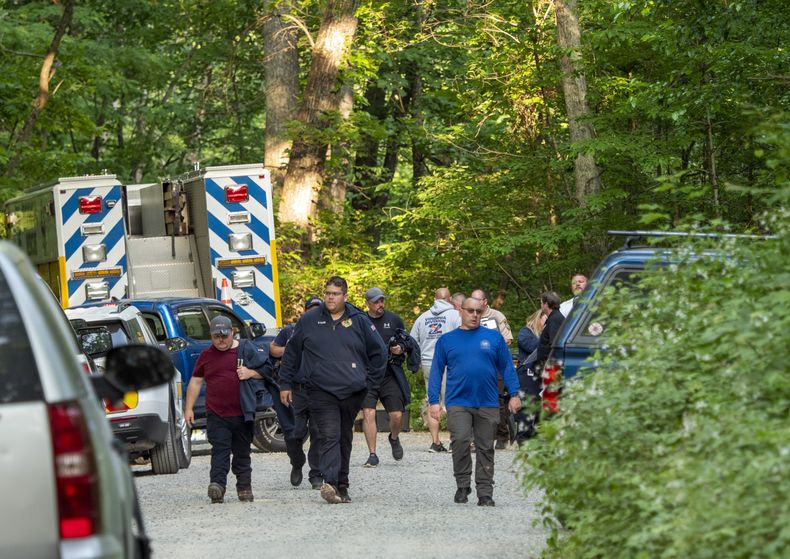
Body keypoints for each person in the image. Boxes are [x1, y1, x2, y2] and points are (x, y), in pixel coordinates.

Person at [279, 276, 387, 504]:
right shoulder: (309, 320)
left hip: (352, 390)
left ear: (345, 297)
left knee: (344, 436)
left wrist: (371, 383)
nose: (330, 297)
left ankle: (342, 483)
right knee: (329, 435)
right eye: (327, 292)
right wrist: (285, 383)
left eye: (335, 294)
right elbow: (291, 353)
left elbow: (379, 353)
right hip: (320, 390)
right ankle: (330, 483)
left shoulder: (358, 320)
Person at [428, 297, 521, 507]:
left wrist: (514, 393)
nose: (475, 315)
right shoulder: (447, 340)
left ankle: (485, 492)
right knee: (460, 441)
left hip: (487, 401)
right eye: (470, 311)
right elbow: (436, 371)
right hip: (458, 401)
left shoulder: (493, 338)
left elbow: (507, 366)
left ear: (483, 311)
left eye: (479, 311)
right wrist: (434, 400)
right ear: (460, 310)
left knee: (485, 447)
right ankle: (462, 484)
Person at [184, 316, 271, 504]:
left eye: (224, 335)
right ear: (211, 336)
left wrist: (250, 373)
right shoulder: (206, 356)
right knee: (219, 451)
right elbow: (196, 381)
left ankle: (244, 487)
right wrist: (189, 408)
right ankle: (217, 485)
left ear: (232, 332)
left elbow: (268, 370)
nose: (221, 340)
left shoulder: (246, 349)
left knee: (242, 452)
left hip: (242, 412)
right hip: (216, 413)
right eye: (216, 336)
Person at [360, 287, 421, 467]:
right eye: (376, 302)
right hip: (368, 375)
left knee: (396, 415)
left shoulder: (394, 319)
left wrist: (400, 348)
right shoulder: (360, 321)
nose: (380, 305)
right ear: (368, 304)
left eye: (382, 301)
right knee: (368, 412)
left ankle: (394, 438)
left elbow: (406, 341)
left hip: (390, 373)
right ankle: (372, 454)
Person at [269, 295, 324, 489]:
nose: (314, 312)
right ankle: (297, 462)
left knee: (318, 433)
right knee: (293, 433)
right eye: (311, 308)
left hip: (319, 390)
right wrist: (290, 350)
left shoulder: (327, 332)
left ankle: (316, 474)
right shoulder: (291, 331)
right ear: (306, 311)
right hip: (296, 390)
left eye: (318, 308)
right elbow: (273, 349)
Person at [410, 287, 461, 453]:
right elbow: (463, 336)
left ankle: (435, 442)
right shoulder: (455, 315)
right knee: (453, 401)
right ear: (450, 298)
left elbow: (412, 342)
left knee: (433, 401)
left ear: (434, 298)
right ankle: (454, 442)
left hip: (428, 363)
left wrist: (417, 361)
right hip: (449, 363)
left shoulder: (422, 317)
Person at [470, 289, 514, 449]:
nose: (475, 303)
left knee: (498, 400)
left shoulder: (497, 316)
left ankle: (503, 435)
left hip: (495, 365)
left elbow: (508, 340)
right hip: (476, 366)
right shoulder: (470, 316)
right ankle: (478, 437)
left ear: (485, 301)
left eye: (478, 299)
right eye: (472, 299)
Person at [536, 291, 564, 369]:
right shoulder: (553, 318)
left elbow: (554, 345)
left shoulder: (555, 319)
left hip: (550, 368)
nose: (541, 306)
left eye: (541, 303)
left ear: (546, 304)